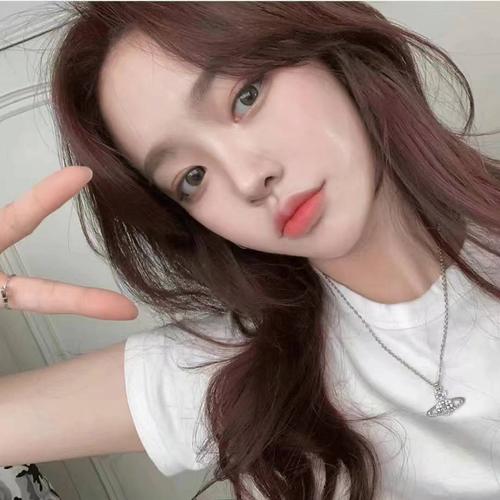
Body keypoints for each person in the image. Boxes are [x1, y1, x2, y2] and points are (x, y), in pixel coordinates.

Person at [1, 2, 500, 499]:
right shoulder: (242, 375)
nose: (247, 179)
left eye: (246, 97)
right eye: (192, 177)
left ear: (328, 50)